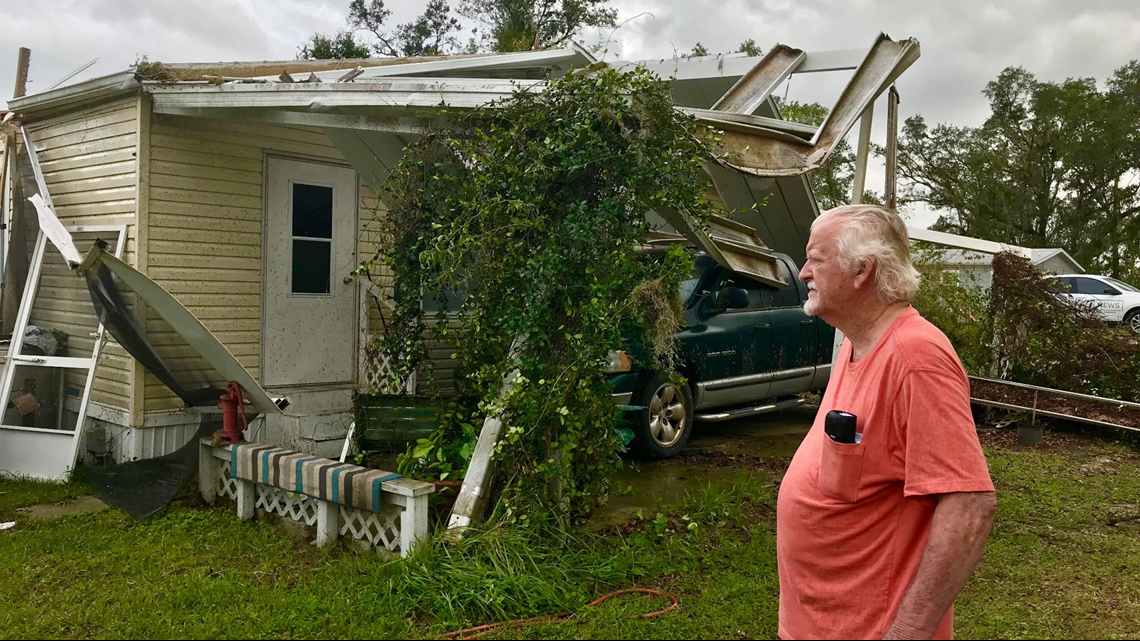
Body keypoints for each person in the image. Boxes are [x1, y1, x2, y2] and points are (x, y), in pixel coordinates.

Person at [777, 204, 996, 640]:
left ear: (862, 270)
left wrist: (908, 632)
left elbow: (969, 505)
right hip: (821, 624)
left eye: (816, 259)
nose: (803, 273)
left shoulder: (916, 358)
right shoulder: (856, 344)